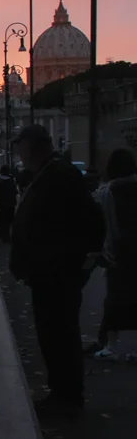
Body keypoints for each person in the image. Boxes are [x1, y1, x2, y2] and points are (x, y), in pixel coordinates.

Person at [9, 124, 105, 418]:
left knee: (59, 333)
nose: (17, 152)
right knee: (52, 333)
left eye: (20, 145)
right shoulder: (47, 174)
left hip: (56, 272)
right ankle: (61, 392)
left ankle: (67, 396)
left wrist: (77, 263)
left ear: (32, 146)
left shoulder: (59, 175)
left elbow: (90, 220)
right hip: (47, 272)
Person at [90, 148, 137, 361]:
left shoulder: (108, 192)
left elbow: (101, 224)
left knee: (114, 300)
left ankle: (110, 345)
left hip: (119, 253)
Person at [0, 164, 18, 243]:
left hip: (0, 205)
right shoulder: (12, 180)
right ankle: (7, 236)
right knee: (9, 221)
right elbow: (15, 192)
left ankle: (4, 236)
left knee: (2, 221)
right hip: (11, 204)